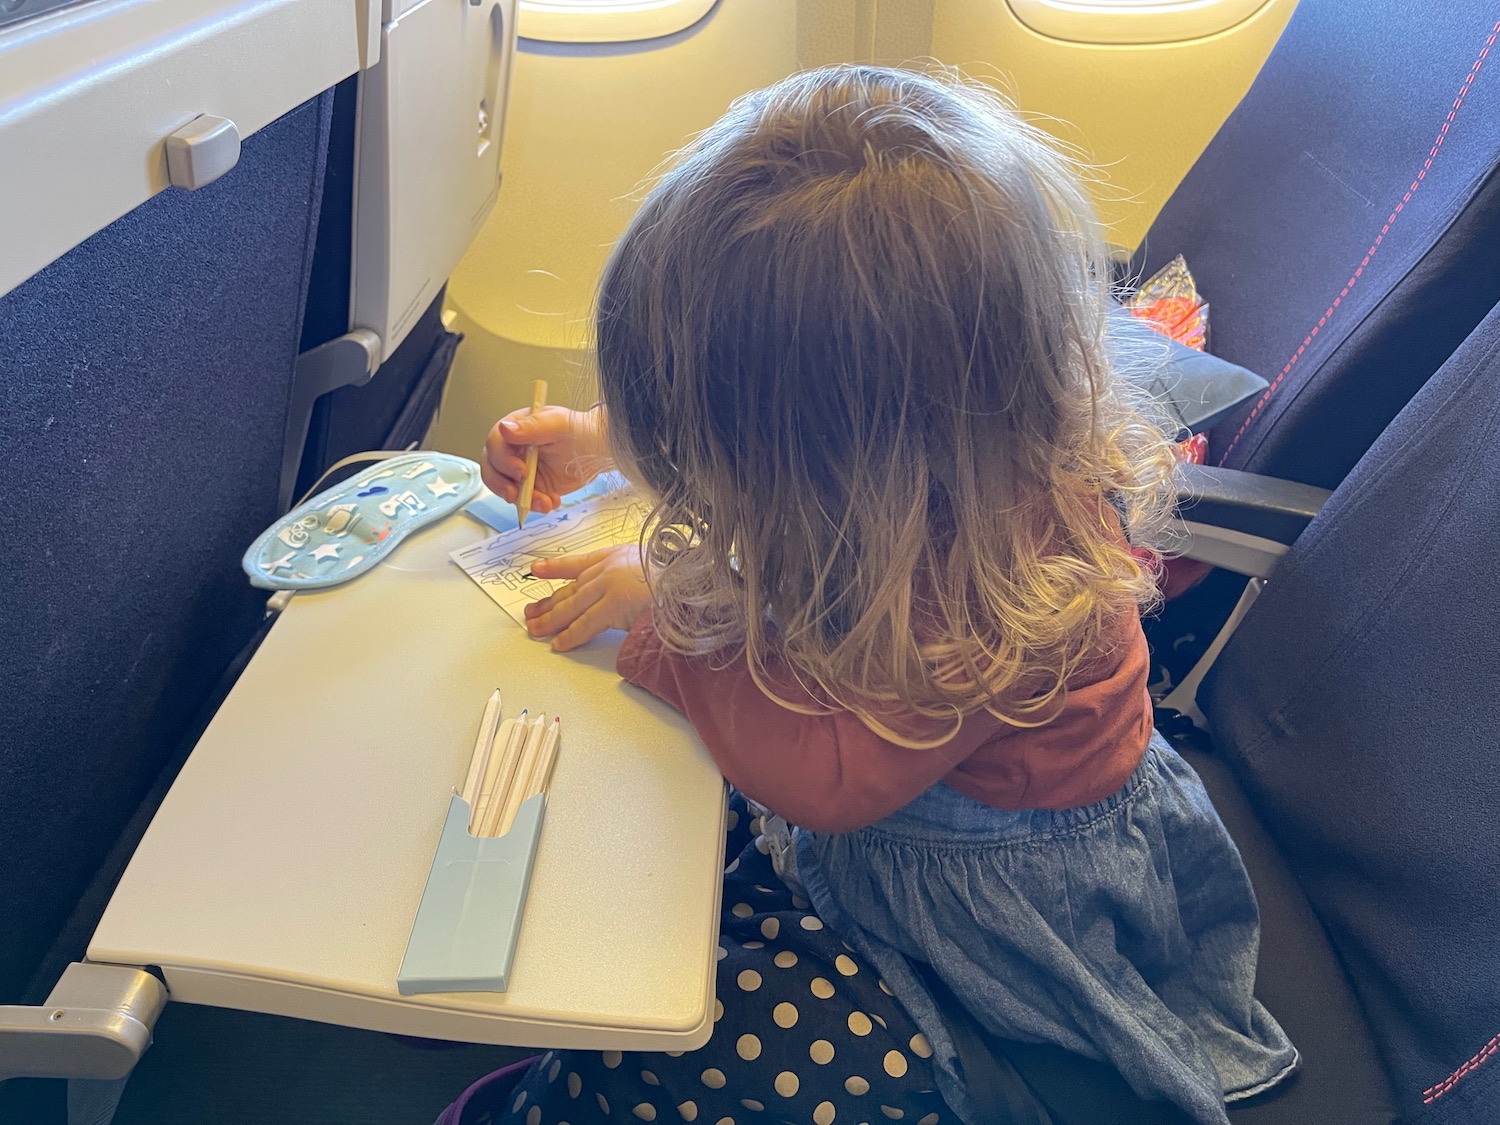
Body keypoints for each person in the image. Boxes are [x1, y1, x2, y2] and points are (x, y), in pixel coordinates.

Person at [477, 65, 1296, 1125]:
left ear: (832, 471)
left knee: (713, 1050)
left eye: (703, 442)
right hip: (901, 789)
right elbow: (776, 428)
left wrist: (666, 621)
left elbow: (827, 779)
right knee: (644, 850)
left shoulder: (989, 595)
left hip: (994, 913)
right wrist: (611, 445)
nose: (696, 467)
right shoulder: (937, 452)